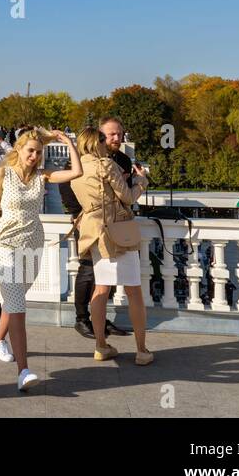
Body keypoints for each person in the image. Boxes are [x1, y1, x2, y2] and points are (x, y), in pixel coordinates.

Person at [0, 128, 82, 392]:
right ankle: (24, 371)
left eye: (39, 152)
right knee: (18, 305)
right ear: (18, 150)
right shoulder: (3, 173)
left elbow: (76, 172)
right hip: (6, 243)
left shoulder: (43, 176)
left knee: (16, 298)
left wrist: (67, 142)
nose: (34, 155)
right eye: (30, 150)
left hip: (33, 244)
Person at [71, 127, 152, 364]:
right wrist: (141, 181)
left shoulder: (76, 170)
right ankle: (141, 350)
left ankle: (100, 345)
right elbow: (127, 197)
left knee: (101, 290)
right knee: (134, 290)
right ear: (96, 143)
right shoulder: (105, 164)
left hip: (93, 232)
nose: (107, 144)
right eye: (103, 141)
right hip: (117, 231)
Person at [70, 117, 136, 339]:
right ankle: (82, 319)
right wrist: (76, 213)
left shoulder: (123, 160)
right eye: (111, 135)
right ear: (99, 137)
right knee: (89, 271)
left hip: (116, 223)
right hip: (91, 221)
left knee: (106, 278)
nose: (117, 138)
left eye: (120, 134)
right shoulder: (83, 161)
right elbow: (69, 186)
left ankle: (101, 323)